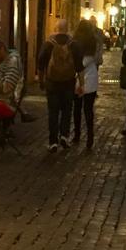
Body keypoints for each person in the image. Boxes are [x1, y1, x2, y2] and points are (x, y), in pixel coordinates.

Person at [37, 19, 84, 152]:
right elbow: (80, 67)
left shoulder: (48, 44)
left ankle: (53, 142)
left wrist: (41, 81)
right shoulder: (74, 45)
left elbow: (40, 64)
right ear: (67, 29)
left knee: (53, 111)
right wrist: (82, 84)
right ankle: (64, 135)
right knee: (67, 110)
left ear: (56, 29)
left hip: (52, 83)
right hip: (69, 82)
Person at [72, 20, 103, 150]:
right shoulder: (93, 42)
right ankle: (90, 137)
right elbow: (94, 58)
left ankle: (77, 135)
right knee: (88, 110)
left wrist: (77, 66)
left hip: (77, 78)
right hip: (91, 78)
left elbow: (76, 62)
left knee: (77, 108)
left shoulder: (75, 42)